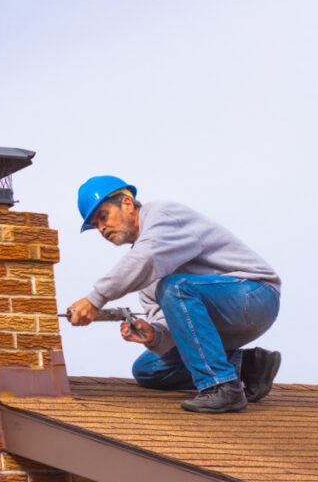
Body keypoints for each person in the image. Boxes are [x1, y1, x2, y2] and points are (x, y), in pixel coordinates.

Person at [68, 175, 282, 413]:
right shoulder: (147, 273)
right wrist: (154, 335)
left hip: (255, 296)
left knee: (175, 287)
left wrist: (95, 299)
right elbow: (172, 325)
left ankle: (222, 387)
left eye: (103, 216)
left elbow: (146, 258)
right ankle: (248, 367)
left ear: (127, 204)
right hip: (223, 319)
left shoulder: (162, 216)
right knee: (148, 369)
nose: (101, 228)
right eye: (96, 225)